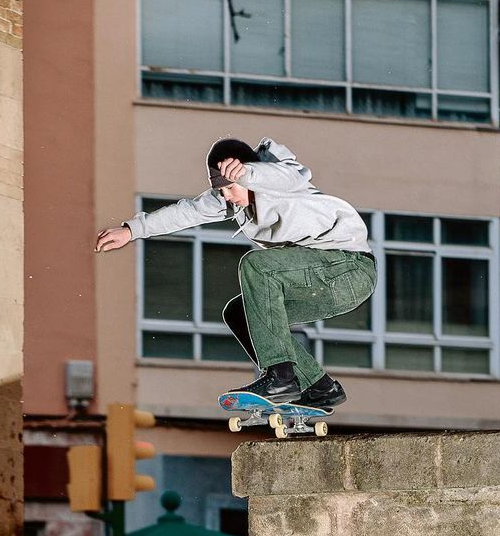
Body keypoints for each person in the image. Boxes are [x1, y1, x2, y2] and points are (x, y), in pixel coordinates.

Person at [95, 137, 377, 411]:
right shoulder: (230, 200)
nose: (228, 197)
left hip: (349, 269)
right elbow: (187, 212)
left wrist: (248, 173)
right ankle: (318, 386)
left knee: (257, 266)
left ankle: (280, 377)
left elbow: (287, 175)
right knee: (240, 313)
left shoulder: (279, 179)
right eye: (222, 191)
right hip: (324, 284)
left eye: (231, 188)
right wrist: (132, 230)